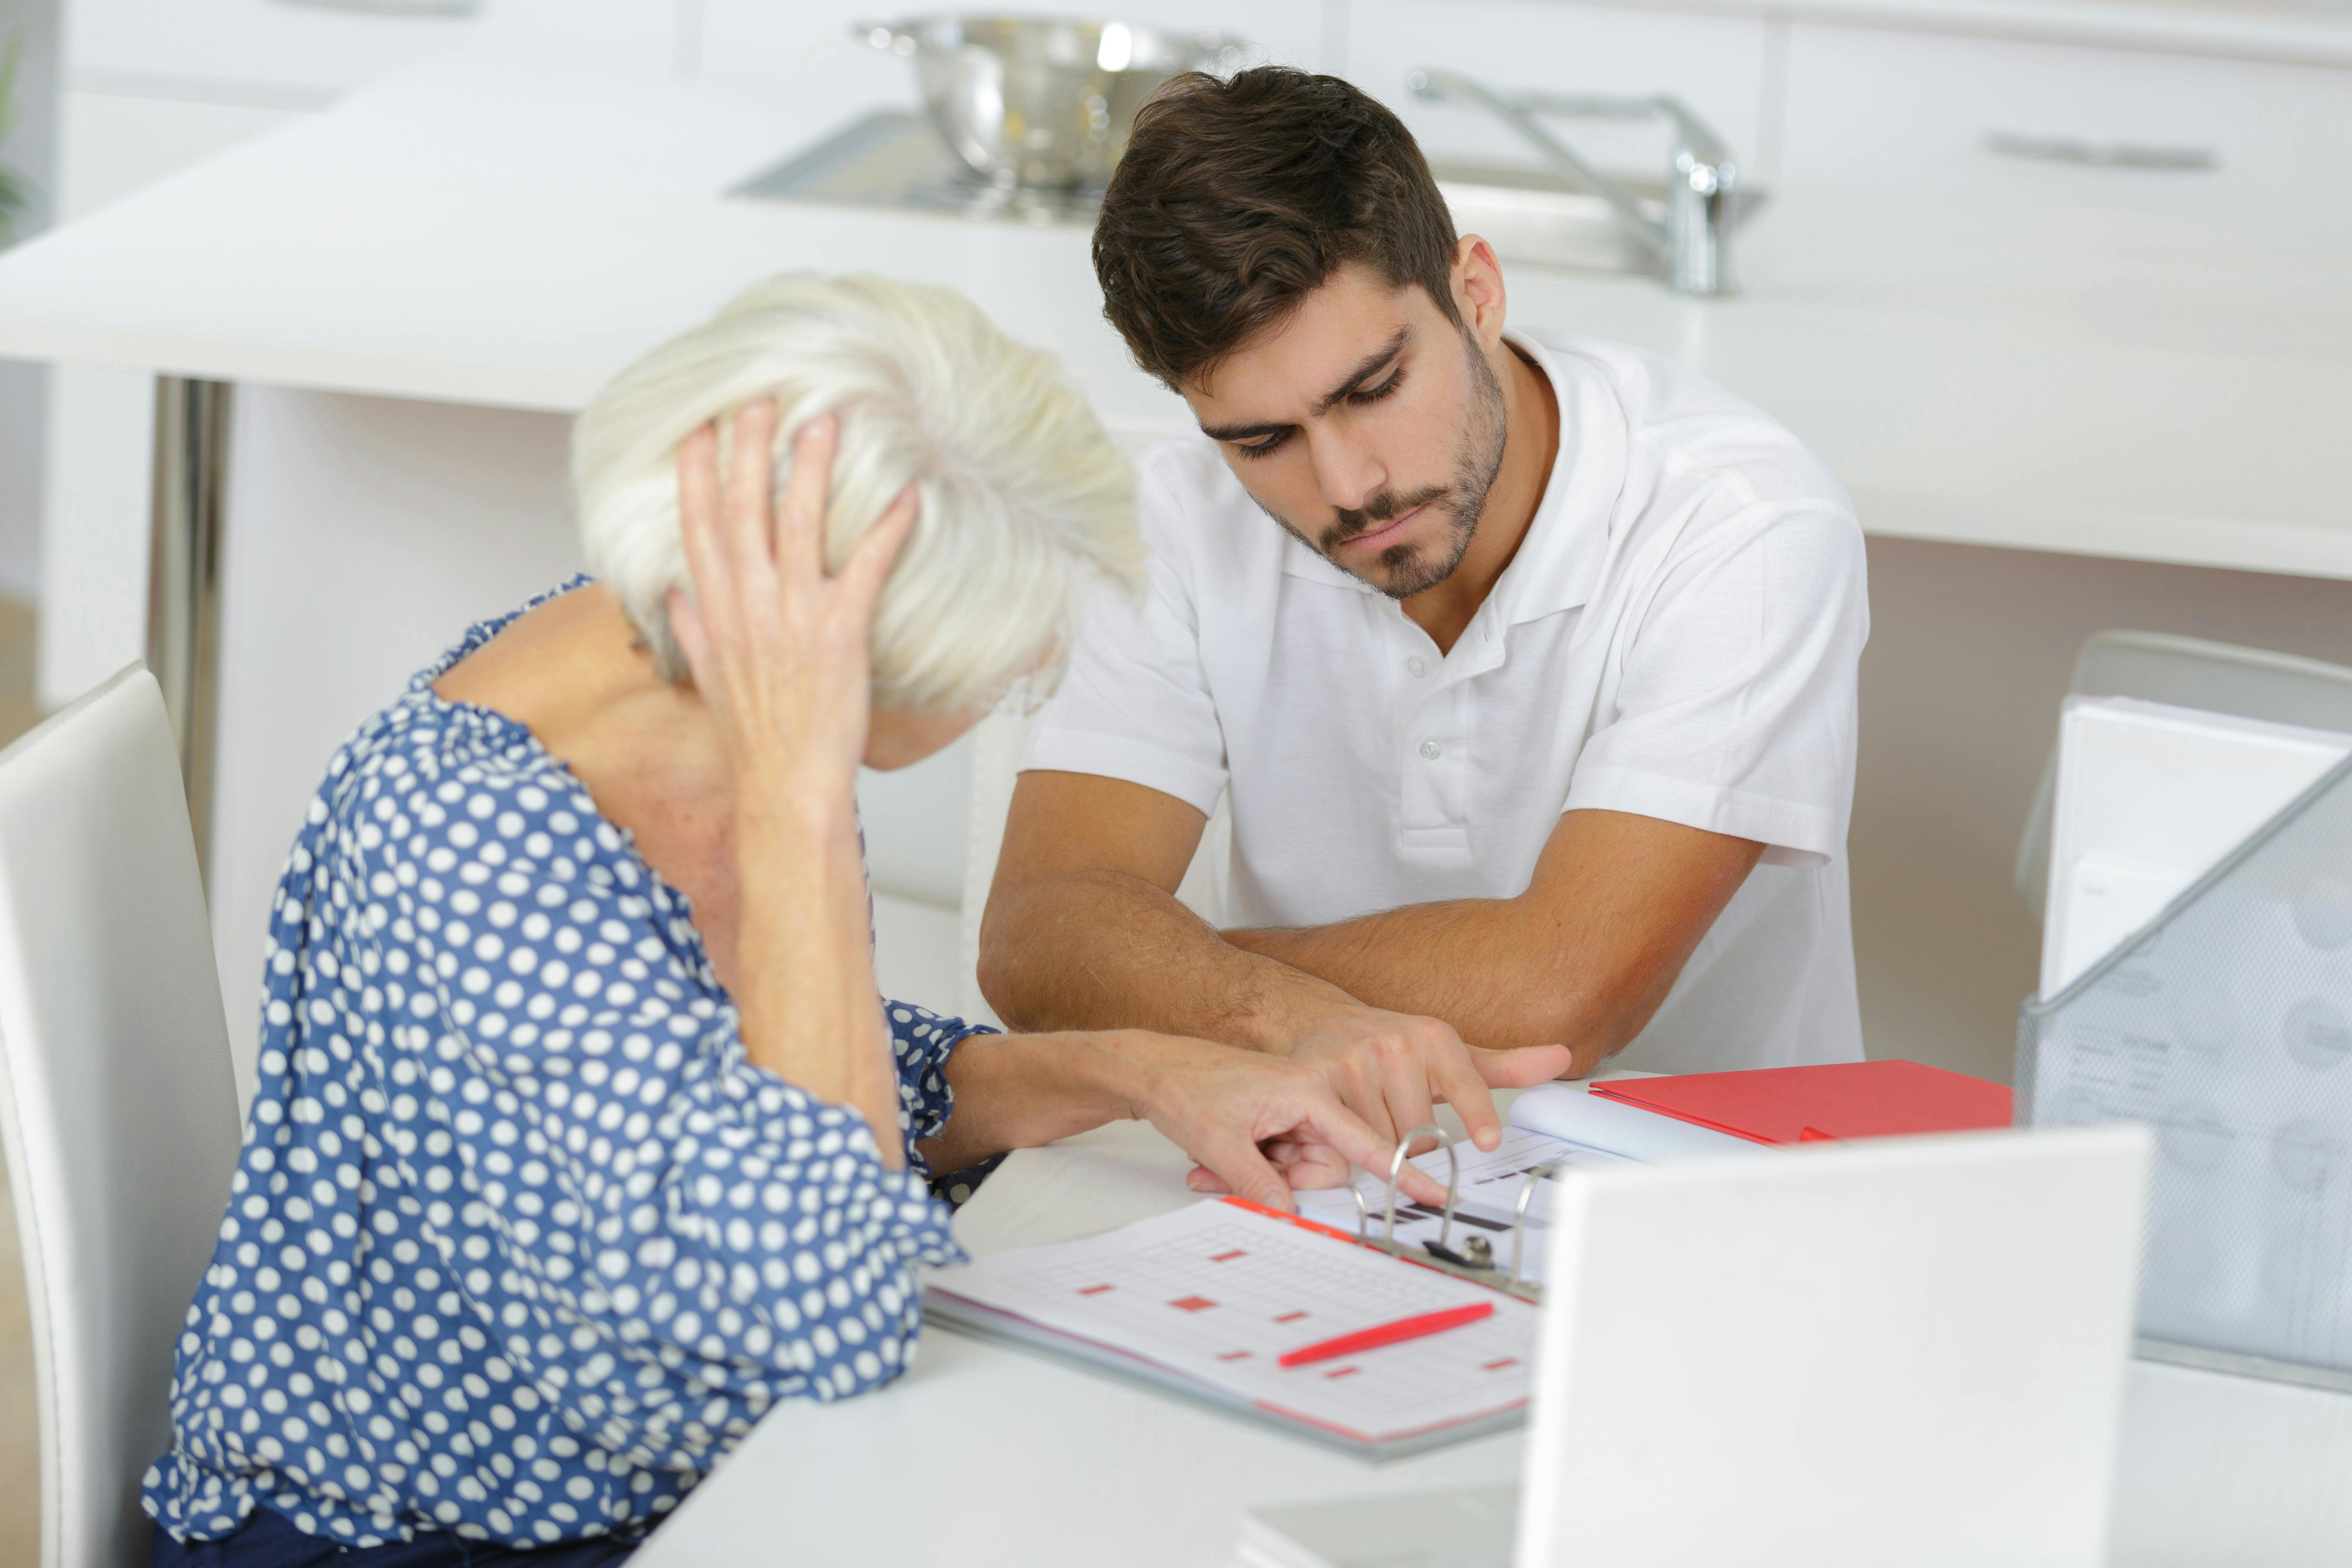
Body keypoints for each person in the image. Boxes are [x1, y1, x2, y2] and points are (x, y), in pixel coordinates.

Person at [144, 274, 1549, 1567]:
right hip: (418, 1538)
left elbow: (774, 1082)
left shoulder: (687, 669)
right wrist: (805, 794)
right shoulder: (490, 833)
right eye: (999, 668)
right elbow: (835, 1311)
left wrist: (1137, 1072)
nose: (1023, 678)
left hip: (657, 1476)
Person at [980, 67, 1871, 1147]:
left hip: (1710, 1195)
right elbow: (1035, 943)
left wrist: (1174, 964)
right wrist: (1262, 1006)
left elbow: (1561, 995)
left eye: (1373, 387)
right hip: (1328, 1172)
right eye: (1264, 441)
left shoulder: (1742, 523)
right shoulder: (1177, 514)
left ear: (1478, 295)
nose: (1350, 484)